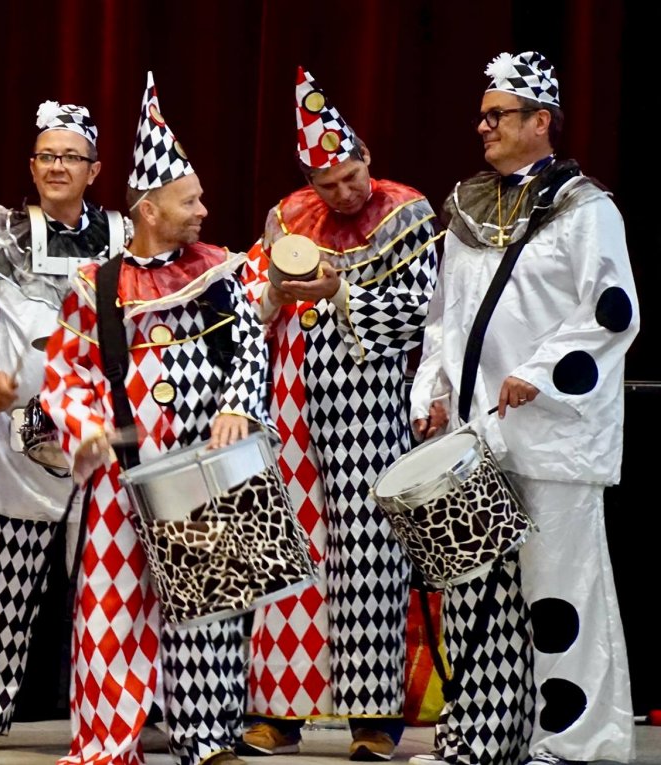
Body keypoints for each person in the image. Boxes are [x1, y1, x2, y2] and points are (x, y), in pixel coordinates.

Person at [409, 51, 637, 765]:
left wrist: (539, 371)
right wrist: (433, 388)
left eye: (498, 114)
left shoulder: (585, 209)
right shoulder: (469, 207)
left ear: (542, 121)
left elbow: (612, 310)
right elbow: (443, 314)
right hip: (481, 434)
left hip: (555, 434)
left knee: (558, 592)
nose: (484, 126)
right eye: (482, 115)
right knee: (481, 596)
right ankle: (481, 740)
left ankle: (577, 743)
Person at [40, 71, 271, 765]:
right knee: (110, 610)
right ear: (148, 209)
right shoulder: (99, 284)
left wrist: (237, 404)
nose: (202, 209)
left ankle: (209, 737)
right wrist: (82, 424)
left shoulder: (218, 272)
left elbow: (253, 346)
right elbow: (64, 372)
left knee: (207, 609)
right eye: (188, 199)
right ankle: (109, 739)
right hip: (121, 473)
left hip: (201, 467)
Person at [240, 67, 439, 760]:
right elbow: (253, 304)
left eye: (351, 177)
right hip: (293, 398)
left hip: (371, 400)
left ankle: (373, 719)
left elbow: (424, 308)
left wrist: (341, 290)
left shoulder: (407, 211)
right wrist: (271, 292)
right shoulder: (288, 215)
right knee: (292, 547)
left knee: (368, 553)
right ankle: (277, 710)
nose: (343, 192)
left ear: (368, 160)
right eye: (329, 184)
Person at [0, 100, 127, 751]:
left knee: (111, 579)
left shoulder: (128, 241)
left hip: (101, 434)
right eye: (46, 155)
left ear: (94, 169)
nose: (56, 166)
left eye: (69, 156)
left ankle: (120, 708)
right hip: (16, 431)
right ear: (32, 164)